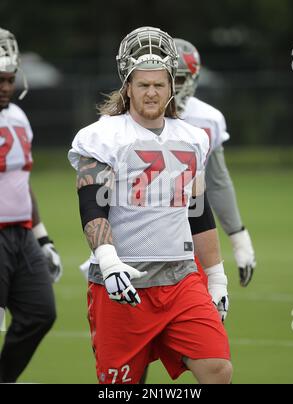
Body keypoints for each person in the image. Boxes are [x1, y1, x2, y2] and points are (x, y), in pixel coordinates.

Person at [69, 26, 232, 384]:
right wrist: (109, 263)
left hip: (181, 278)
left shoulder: (193, 138)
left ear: (172, 86)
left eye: (159, 84)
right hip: (124, 280)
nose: (152, 92)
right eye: (143, 85)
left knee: (217, 369)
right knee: (121, 386)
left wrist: (216, 276)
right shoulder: (103, 136)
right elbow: (92, 206)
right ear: (128, 87)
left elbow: (198, 212)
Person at [0, 27, 62, 383]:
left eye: (9, 78)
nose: (6, 86)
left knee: (41, 311)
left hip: (21, 235)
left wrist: (43, 238)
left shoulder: (19, 117)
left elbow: (21, 183)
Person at [174, 38, 256, 287]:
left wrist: (239, 237)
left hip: (192, 233)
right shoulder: (121, 121)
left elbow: (216, 182)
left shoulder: (207, 120)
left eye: (179, 78)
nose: (172, 87)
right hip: (136, 238)